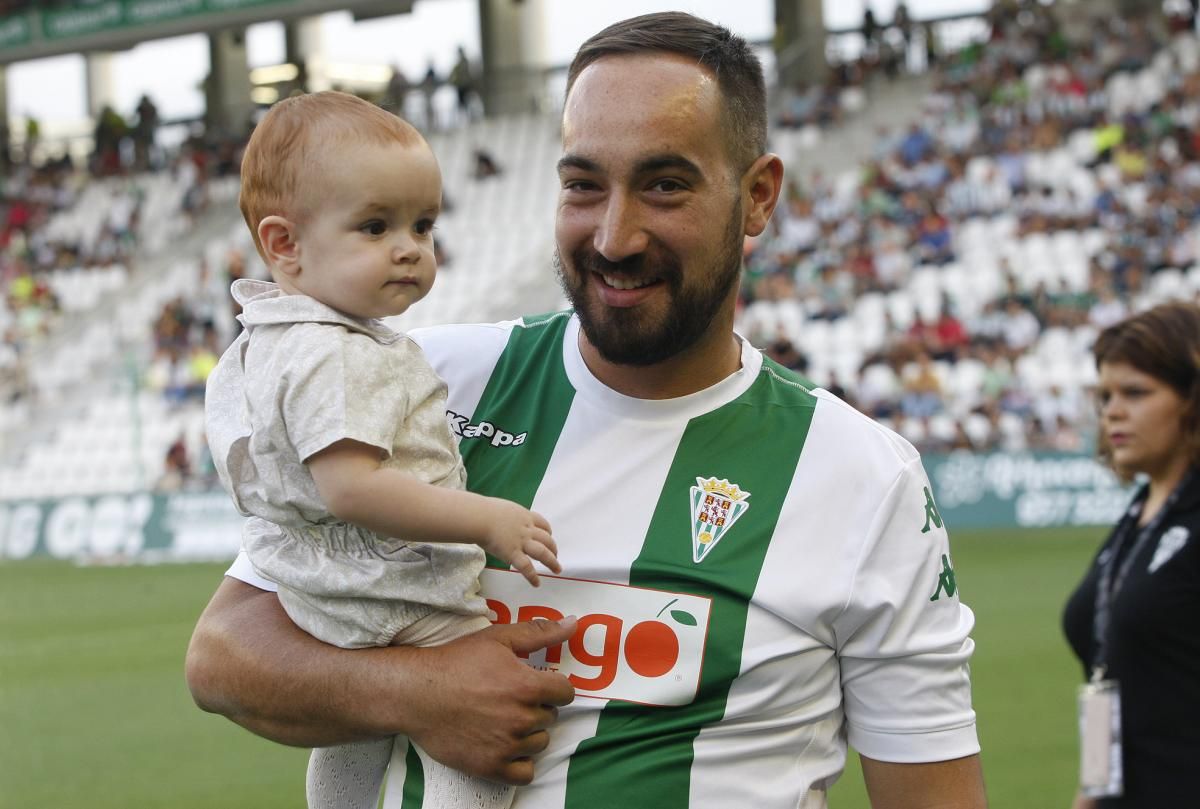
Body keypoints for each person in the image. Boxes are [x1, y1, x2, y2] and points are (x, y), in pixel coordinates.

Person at [187, 14, 987, 808]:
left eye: (665, 184)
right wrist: (416, 691)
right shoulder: (429, 380)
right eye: (583, 185)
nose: (614, 235)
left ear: (758, 197)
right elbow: (225, 655)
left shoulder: (863, 478)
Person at [204, 90, 560, 809]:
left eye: (422, 225)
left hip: (321, 594)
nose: (409, 247)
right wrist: (486, 519)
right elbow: (353, 487)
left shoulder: (267, 339)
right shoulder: (340, 353)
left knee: (357, 725)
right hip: (399, 587)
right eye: (374, 226)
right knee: (481, 716)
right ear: (284, 245)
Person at [1062, 301, 1200, 808]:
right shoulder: (1140, 514)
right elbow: (1110, 683)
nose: (1112, 411)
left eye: (1136, 393)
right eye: (1105, 395)